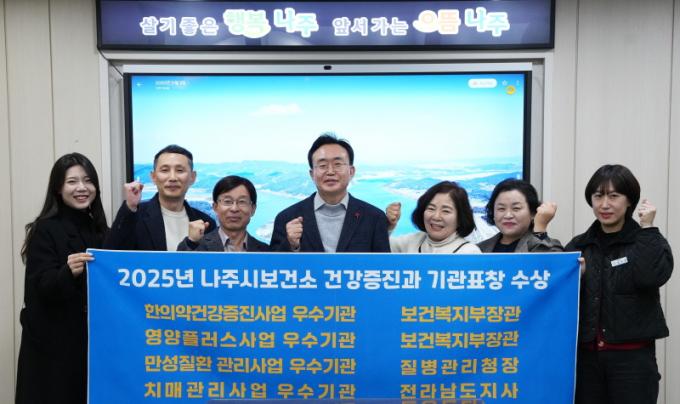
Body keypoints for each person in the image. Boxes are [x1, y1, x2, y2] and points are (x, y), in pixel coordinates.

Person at [567, 164, 673, 404]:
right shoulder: (579, 245)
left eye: (614, 196)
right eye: (598, 196)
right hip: (587, 360)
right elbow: (558, 296)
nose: (604, 204)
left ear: (629, 201)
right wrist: (577, 278)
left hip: (632, 361)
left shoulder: (646, 239)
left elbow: (650, 277)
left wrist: (648, 228)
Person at [16, 153, 109, 404]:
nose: (82, 188)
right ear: (58, 188)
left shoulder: (98, 227)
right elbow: (40, 287)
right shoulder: (45, 228)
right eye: (72, 181)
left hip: (87, 343)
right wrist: (67, 272)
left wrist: (130, 210)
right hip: (53, 349)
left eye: (88, 181)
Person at [270, 133, 390, 252]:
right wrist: (291, 245)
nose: (330, 171)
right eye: (322, 165)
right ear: (312, 174)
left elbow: (384, 263)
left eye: (338, 164)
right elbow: (271, 263)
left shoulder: (374, 218)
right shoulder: (287, 218)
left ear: (351, 171)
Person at [104, 144, 215, 251]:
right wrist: (130, 206)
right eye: (165, 170)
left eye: (180, 170)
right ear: (153, 177)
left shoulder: (206, 223)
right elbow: (111, 254)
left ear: (192, 177)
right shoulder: (135, 216)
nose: (172, 177)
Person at [177, 175, 268, 252]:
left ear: (253, 209)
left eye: (242, 201)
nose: (234, 209)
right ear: (215, 207)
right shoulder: (196, 246)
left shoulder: (266, 252)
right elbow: (179, 263)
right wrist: (192, 242)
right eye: (227, 201)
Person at [385, 181, 481, 253]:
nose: (436, 216)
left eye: (446, 211)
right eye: (431, 208)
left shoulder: (469, 252)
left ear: (460, 218)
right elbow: (379, 247)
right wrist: (389, 225)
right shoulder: (410, 242)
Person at [477, 178, 563, 252]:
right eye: (501, 209)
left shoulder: (551, 246)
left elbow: (548, 263)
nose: (508, 215)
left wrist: (540, 230)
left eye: (516, 208)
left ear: (533, 212)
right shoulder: (480, 249)